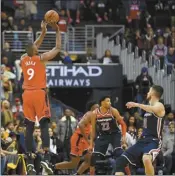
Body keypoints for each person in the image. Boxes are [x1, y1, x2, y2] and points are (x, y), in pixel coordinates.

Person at [20, 21, 61, 175]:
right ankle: (45, 158)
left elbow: (33, 46)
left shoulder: (24, 58)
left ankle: (30, 162)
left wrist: (43, 32)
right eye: (36, 47)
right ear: (34, 50)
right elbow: (57, 48)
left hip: (26, 95)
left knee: (29, 127)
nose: (38, 46)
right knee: (44, 124)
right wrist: (56, 31)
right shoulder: (41, 58)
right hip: (38, 93)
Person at [115, 85, 165, 176]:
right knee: (120, 161)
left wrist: (136, 104)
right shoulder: (148, 107)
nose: (147, 93)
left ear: (153, 93)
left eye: (149, 91)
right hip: (142, 141)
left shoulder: (159, 105)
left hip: (153, 141)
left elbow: (153, 109)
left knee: (146, 158)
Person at [53, 101, 99, 175]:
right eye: (96, 107)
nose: (98, 108)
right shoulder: (90, 114)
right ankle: (53, 167)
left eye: (98, 107)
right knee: (73, 164)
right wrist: (87, 139)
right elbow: (80, 125)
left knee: (89, 160)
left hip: (83, 140)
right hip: (78, 139)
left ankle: (77, 174)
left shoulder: (93, 116)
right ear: (92, 108)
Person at [89, 96, 129, 175]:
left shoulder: (113, 111)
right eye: (107, 101)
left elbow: (123, 125)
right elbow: (93, 130)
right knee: (93, 158)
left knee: (119, 154)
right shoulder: (94, 113)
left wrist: (124, 138)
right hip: (103, 136)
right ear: (102, 102)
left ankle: (129, 174)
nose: (110, 103)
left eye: (110, 101)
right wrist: (90, 144)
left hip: (114, 134)